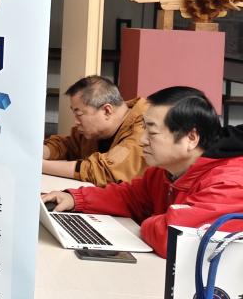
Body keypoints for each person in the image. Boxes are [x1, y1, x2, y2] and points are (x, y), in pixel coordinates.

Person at [42, 86, 243, 257]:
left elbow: (173, 238)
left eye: (152, 132)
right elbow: (131, 197)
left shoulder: (229, 184)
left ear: (191, 138)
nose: (142, 139)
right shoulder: (165, 171)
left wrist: (149, 220)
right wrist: (76, 199)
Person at [42, 75, 148, 184]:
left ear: (107, 111)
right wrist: (44, 151)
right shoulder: (96, 131)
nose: (76, 122)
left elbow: (106, 171)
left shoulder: (145, 127)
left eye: (79, 114)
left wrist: (39, 165)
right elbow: (69, 145)